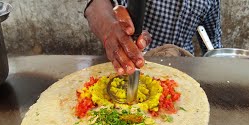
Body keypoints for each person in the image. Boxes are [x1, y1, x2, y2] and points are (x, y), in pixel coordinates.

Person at [84, 0, 222, 75]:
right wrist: (108, 28)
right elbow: (96, 6)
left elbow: (212, 43)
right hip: (134, 63)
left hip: (184, 70)